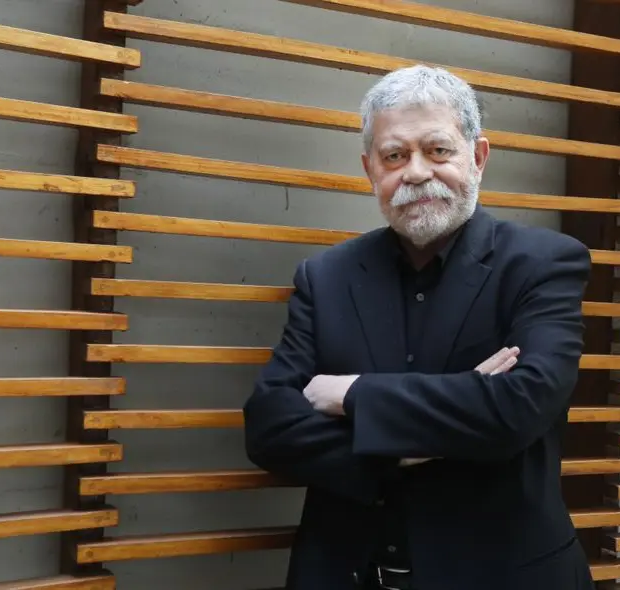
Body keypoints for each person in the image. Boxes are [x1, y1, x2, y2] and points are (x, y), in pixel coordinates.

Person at [242, 64, 595, 589]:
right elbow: (269, 427)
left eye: (438, 150)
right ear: (370, 170)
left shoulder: (543, 263)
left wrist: (353, 396)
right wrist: (416, 444)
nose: (415, 172)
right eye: (394, 155)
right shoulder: (326, 277)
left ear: (477, 157)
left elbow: (519, 408)